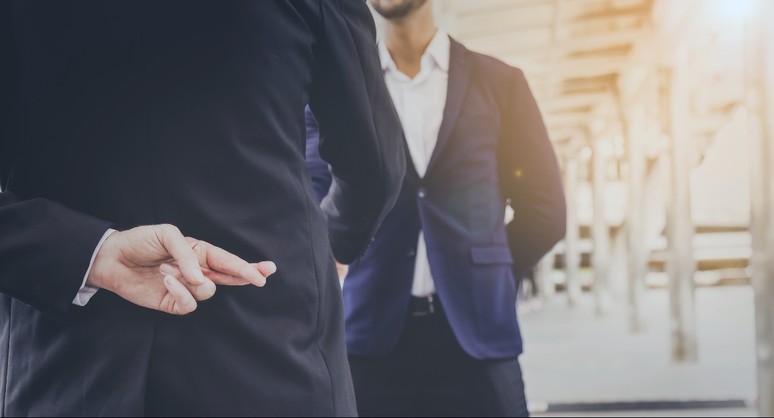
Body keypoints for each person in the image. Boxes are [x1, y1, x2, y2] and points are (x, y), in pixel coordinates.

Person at [0, 0, 405, 416]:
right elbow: (373, 165)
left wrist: (92, 254)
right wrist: (337, 247)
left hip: (61, 375)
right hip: (272, 358)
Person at [306, 0, 567, 415]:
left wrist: (488, 269)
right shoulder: (340, 90)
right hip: (371, 338)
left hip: (478, 337)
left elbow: (545, 210)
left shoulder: (501, 83)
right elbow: (312, 210)